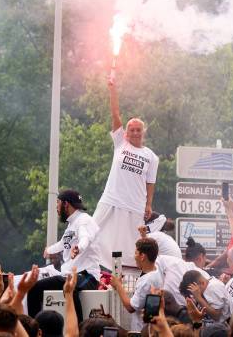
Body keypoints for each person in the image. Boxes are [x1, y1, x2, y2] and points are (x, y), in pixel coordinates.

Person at [93, 77, 159, 269]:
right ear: (126, 133)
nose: (135, 133)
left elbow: (151, 182)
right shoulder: (120, 144)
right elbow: (115, 115)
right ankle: (85, 262)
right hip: (112, 199)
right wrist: (113, 90)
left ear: (143, 132)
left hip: (135, 204)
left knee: (134, 247)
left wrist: (148, 204)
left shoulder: (151, 157)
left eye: (139, 130)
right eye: (132, 130)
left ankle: (133, 275)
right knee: (91, 231)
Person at [28, 189, 101, 319]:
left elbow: (85, 237)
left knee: (69, 287)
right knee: (33, 287)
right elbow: (62, 244)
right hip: (69, 274)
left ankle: (78, 331)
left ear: (66, 204)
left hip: (87, 276)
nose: (57, 207)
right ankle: (36, 327)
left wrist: (78, 247)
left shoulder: (84, 220)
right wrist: (48, 250)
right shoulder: (72, 224)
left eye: (58, 203)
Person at [110, 237, 163, 332]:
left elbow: (131, 307)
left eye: (136, 253)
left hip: (142, 331)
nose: (134, 256)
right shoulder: (157, 271)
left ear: (142, 256)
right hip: (150, 329)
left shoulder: (147, 281)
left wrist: (118, 286)